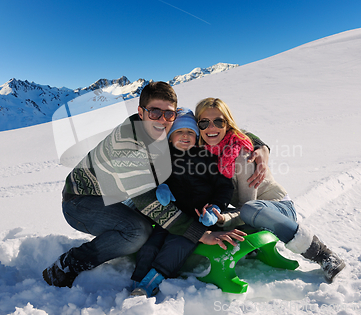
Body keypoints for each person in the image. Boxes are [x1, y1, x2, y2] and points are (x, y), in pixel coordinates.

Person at [43, 83, 246, 288]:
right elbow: (148, 202)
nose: (162, 119)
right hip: (81, 201)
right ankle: (69, 264)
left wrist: (256, 146)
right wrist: (202, 234)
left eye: (169, 114)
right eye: (155, 112)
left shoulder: (158, 131)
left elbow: (210, 125)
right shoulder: (128, 144)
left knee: (147, 224)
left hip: (115, 196)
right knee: (137, 233)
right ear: (141, 112)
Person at [194, 97, 345, 283]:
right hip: (246, 212)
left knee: (249, 210)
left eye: (218, 121)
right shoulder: (203, 152)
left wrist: (224, 218)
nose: (211, 127)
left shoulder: (242, 153)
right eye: (204, 122)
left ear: (227, 123)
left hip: (275, 209)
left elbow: (246, 206)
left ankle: (324, 255)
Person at [129, 108, 244, 297]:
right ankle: (137, 279)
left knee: (178, 244)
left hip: (200, 218)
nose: (185, 136)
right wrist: (162, 187)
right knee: (151, 244)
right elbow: (155, 178)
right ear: (170, 136)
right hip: (170, 216)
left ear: (198, 136)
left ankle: (151, 283)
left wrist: (216, 207)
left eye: (190, 132)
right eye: (179, 132)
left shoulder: (209, 158)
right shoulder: (163, 158)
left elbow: (224, 188)